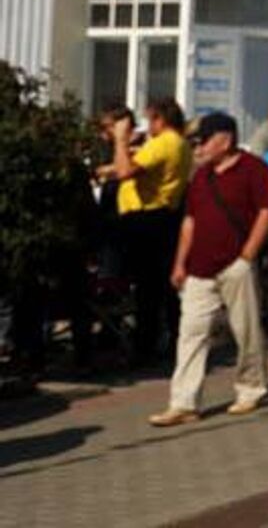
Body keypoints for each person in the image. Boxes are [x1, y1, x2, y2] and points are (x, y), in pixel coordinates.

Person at [149, 114, 268, 426]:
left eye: (203, 141)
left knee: (245, 329)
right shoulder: (201, 177)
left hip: (236, 264)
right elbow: (190, 221)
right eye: (195, 143)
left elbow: (267, 211)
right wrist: (180, 262)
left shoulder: (254, 169)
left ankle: (250, 388)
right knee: (190, 334)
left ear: (226, 140)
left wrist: (247, 255)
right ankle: (183, 403)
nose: (198, 148)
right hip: (199, 267)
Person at [99, 98, 192, 367]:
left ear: (160, 119)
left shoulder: (163, 143)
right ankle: (170, 340)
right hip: (164, 217)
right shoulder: (180, 143)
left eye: (150, 119)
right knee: (162, 288)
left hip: (147, 218)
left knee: (147, 288)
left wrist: (120, 140)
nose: (147, 126)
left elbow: (126, 171)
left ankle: (145, 346)